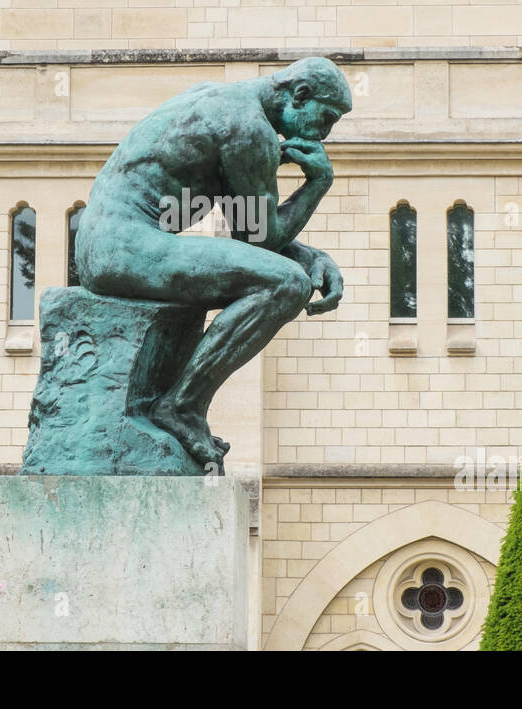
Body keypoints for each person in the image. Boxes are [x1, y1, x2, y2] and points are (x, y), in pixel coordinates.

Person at [75, 57, 352, 468]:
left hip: (106, 241)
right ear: (301, 94)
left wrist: (311, 254)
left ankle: (178, 404)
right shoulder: (248, 128)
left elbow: (246, 226)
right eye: (326, 117)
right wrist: (318, 184)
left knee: (283, 275)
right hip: (123, 245)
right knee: (286, 286)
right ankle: (182, 407)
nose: (325, 133)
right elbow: (263, 238)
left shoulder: (218, 98)